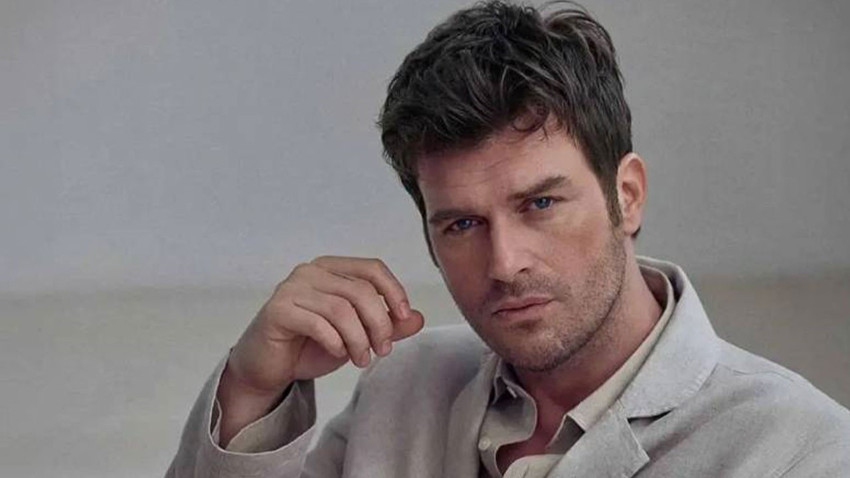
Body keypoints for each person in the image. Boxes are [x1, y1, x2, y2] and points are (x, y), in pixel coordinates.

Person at [166, 2, 850, 477]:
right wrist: (253, 388)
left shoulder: (801, 451)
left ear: (627, 195)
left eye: (541, 203)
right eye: (462, 224)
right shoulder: (402, 389)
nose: (505, 263)